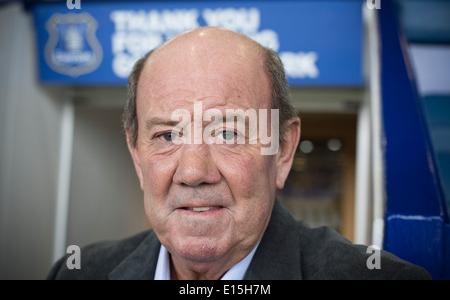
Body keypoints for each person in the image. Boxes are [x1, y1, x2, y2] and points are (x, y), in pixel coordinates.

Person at [47, 27, 431, 280]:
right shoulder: (78, 273)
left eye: (228, 132)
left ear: (282, 150)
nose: (193, 171)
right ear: (136, 154)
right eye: (167, 135)